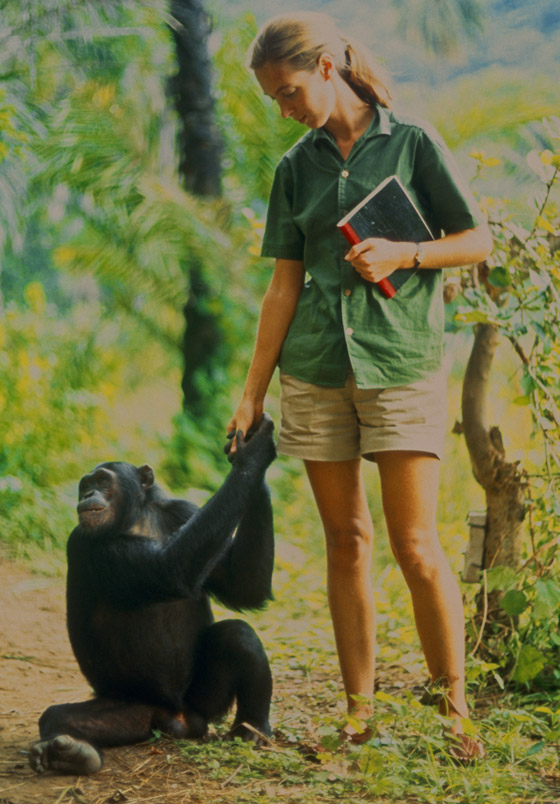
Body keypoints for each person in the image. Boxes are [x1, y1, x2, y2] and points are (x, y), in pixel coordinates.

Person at [227, 10, 492, 761]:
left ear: (325, 68)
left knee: (415, 545)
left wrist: (406, 253)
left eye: (286, 92)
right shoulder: (293, 170)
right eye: (271, 99)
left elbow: (477, 240)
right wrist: (253, 391)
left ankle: (455, 712)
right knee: (347, 542)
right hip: (314, 371)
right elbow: (282, 287)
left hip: (400, 364)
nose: (282, 108)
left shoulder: (411, 143)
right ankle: (358, 712)